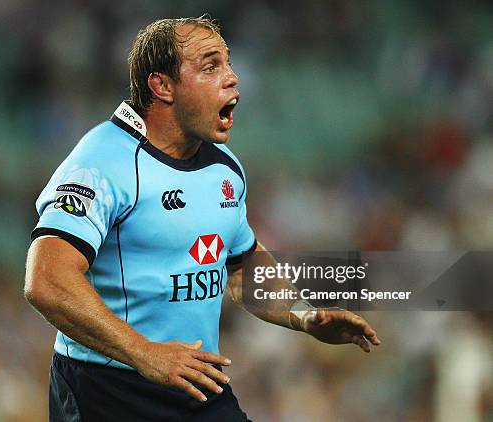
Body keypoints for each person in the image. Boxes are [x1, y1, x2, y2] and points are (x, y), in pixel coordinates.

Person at [24, 16, 381, 422]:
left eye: (228, 64)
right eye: (211, 67)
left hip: (195, 382)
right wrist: (146, 355)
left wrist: (306, 316)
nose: (232, 79)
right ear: (162, 86)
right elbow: (46, 281)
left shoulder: (224, 167)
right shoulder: (102, 162)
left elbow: (241, 266)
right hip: (106, 390)